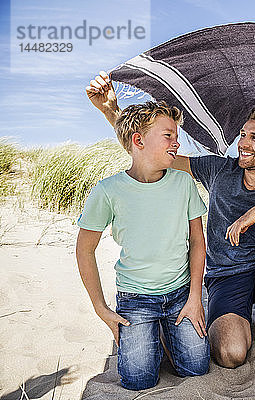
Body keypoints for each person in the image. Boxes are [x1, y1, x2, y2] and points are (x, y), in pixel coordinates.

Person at [85, 71, 255, 370]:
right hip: (227, 278)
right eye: (242, 135)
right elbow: (159, 153)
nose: (243, 143)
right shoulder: (219, 169)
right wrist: (111, 111)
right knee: (230, 354)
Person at [75, 101, 210, 390]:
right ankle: (152, 332)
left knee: (196, 369)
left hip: (181, 294)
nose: (177, 143)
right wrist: (101, 308)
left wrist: (195, 297)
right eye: (168, 136)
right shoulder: (108, 191)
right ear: (138, 140)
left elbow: (198, 241)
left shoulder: (183, 183)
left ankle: (162, 332)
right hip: (135, 299)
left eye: (176, 136)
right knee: (138, 380)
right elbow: (84, 249)